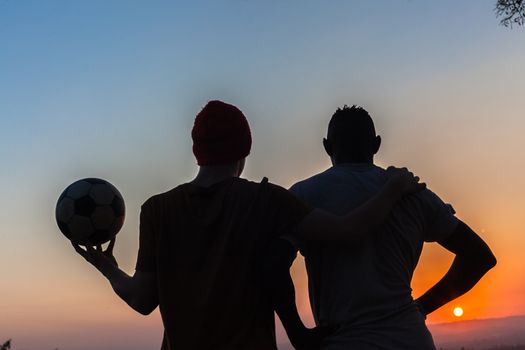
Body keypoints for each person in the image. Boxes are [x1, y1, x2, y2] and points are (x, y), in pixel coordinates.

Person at [70, 100, 424, 350]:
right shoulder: (267, 201)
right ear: (245, 150)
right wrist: (394, 188)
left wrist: (109, 269)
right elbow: (349, 231)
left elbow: (142, 300)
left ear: (197, 152)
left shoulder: (157, 209)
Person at [267, 105, 497, 350]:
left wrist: (297, 333)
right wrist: (422, 307)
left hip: (342, 341)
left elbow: (273, 263)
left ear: (327, 146)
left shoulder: (303, 196)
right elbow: (480, 257)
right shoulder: (414, 193)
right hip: (411, 339)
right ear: (376, 144)